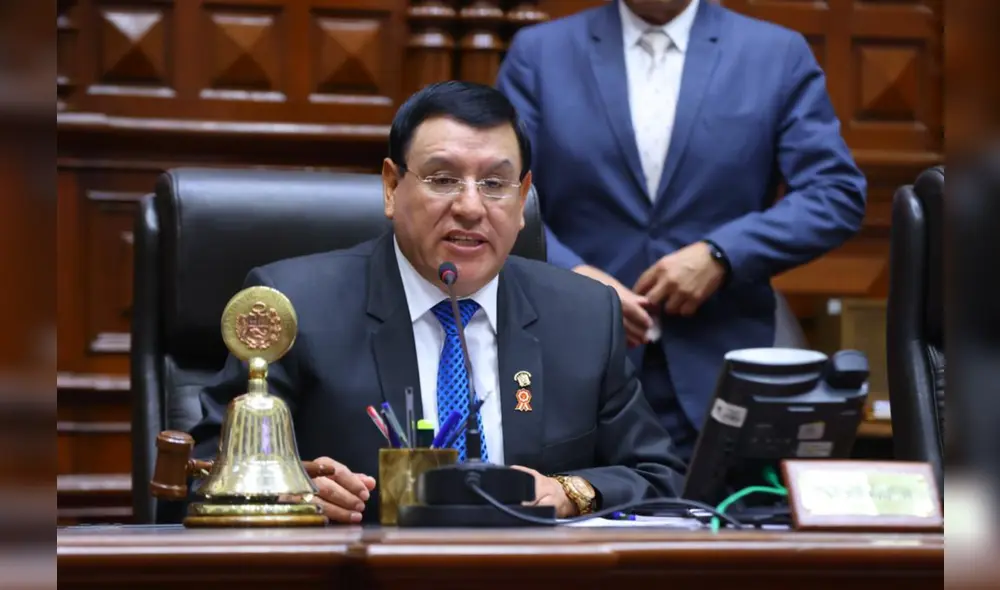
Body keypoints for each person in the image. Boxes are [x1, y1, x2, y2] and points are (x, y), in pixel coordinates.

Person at [188, 81, 686, 524]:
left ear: (522, 200)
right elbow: (202, 478)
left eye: (494, 184)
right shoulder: (294, 307)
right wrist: (297, 496)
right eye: (443, 179)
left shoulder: (582, 316)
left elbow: (662, 478)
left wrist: (570, 491)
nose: (470, 207)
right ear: (391, 187)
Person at [495, 0, 867, 460]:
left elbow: (834, 193)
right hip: (573, 365)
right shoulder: (540, 53)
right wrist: (573, 275)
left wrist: (722, 254)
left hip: (719, 371)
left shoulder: (776, 54)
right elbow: (498, 193)